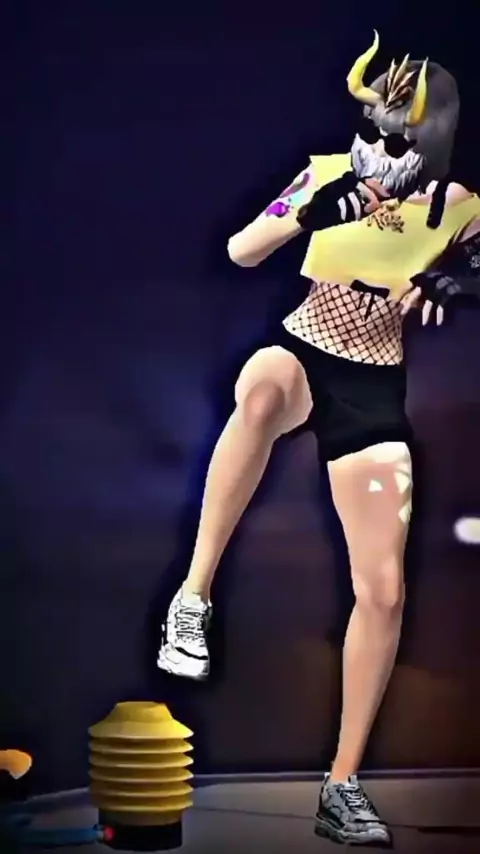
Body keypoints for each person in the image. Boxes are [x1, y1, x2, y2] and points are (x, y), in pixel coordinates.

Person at [158, 31, 480, 846]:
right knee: (261, 392)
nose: (377, 148)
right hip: (305, 348)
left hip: (374, 388)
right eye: (370, 128)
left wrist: (457, 279)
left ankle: (342, 784)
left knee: (384, 592)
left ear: (432, 136)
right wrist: (305, 213)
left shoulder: (459, 206)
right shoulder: (327, 172)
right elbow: (241, 249)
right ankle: (192, 597)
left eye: (397, 134)